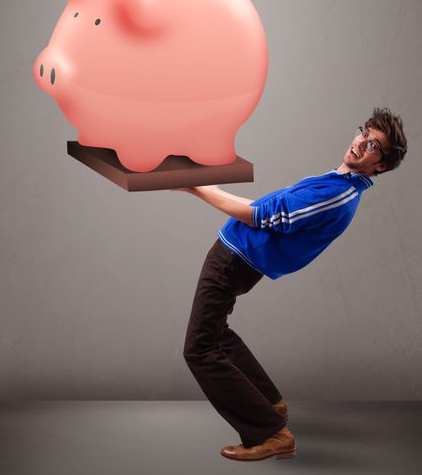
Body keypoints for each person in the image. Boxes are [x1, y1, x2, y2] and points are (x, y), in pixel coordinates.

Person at [174, 107, 407, 461]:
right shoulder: (339, 182)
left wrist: (199, 190)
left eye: (373, 145)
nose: (361, 143)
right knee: (216, 333)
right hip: (237, 254)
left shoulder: (336, 195)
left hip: (234, 259)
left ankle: (270, 433)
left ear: (381, 166)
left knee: (199, 349)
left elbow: (263, 216)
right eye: (364, 133)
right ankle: (271, 403)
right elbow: (271, 208)